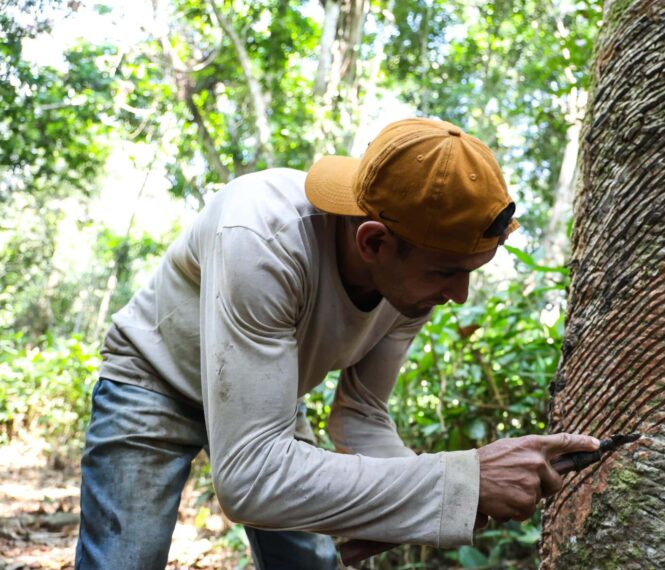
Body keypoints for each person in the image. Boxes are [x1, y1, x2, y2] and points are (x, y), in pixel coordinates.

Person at [75, 117, 599, 569]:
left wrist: (407, 513)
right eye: (446, 273)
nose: (457, 296)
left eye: (468, 274)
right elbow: (251, 478)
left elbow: (361, 415)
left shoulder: (413, 280)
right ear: (373, 241)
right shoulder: (263, 237)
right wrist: (462, 481)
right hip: (155, 379)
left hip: (265, 399)